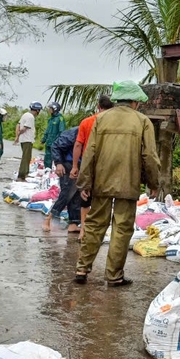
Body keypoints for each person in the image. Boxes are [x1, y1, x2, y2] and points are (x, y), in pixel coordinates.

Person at [75, 81, 160, 287]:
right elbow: (149, 155)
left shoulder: (101, 119)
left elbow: (90, 152)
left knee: (95, 224)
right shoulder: (142, 121)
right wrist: (153, 182)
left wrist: (85, 182)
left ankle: (82, 268)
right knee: (121, 228)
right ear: (135, 102)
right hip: (127, 182)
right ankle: (114, 275)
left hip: (101, 181)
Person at [70, 94, 113, 241]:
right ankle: (97, 233)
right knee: (102, 198)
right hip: (107, 165)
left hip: (87, 164)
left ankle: (83, 230)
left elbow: (78, 144)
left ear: (98, 106)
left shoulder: (87, 122)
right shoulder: (113, 123)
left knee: (85, 197)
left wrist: (75, 166)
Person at [43, 126, 81, 234]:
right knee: (67, 193)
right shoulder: (74, 132)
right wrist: (58, 163)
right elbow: (56, 146)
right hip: (68, 165)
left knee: (77, 195)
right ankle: (48, 218)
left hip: (81, 165)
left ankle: (73, 224)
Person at [15, 102, 42, 180]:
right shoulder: (31, 117)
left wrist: (17, 136)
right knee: (25, 158)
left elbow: (18, 125)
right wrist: (19, 134)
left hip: (24, 139)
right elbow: (24, 128)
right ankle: (21, 175)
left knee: (27, 157)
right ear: (37, 110)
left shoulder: (25, 114)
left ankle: (25, 173)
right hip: (27, 140)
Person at [41, 102, 65, 170]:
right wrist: (44, 139)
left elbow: (61, 131)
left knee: (56, 158)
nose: (49, 110)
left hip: (55, 143)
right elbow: (47, 130)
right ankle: (47, 170)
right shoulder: (50, 119)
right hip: (48, 142)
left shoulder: (60, 119)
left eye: (50, 108)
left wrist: (57, 141)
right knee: (47, 157)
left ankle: (56, 172)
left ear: (55, 109)